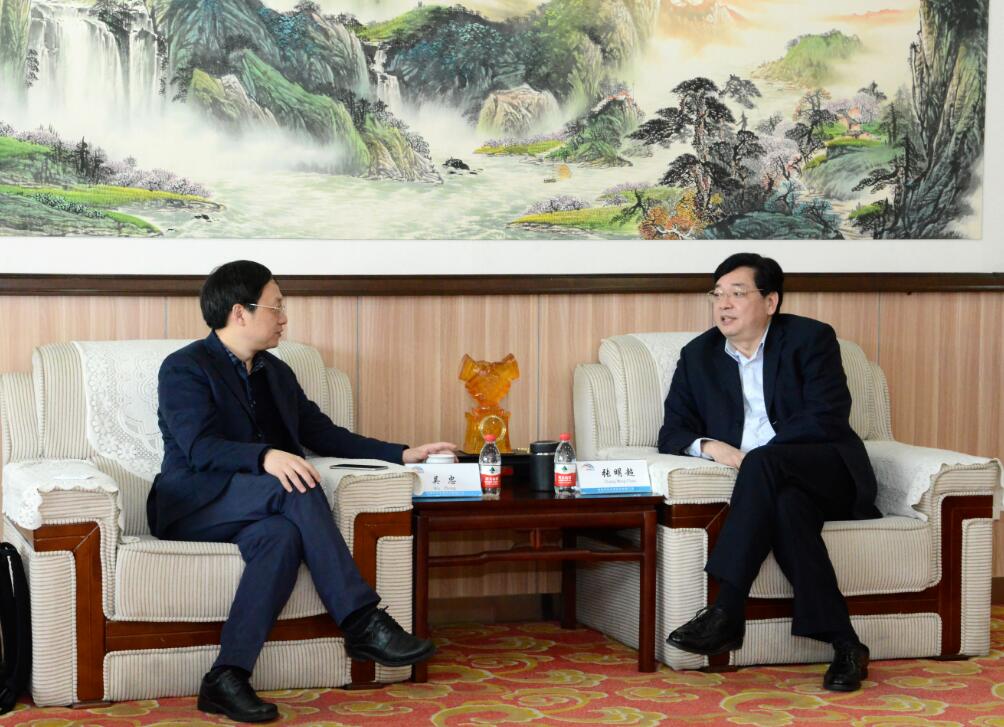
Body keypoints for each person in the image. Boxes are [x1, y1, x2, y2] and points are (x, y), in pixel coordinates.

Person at [147, 260, 458, 723]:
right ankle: (361, 620)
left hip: (254, 510)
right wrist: (266, 457)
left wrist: (402, 453)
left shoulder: (275, 372)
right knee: (296, 484)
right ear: (240, 312)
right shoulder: (184, 368)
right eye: (276, 308)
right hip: (193, 504)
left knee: (282, 538)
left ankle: (226, 677)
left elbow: (322, 433)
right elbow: (199, 447)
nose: (284, 318)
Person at [660, 253, 880, 692]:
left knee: (763, 464)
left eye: (737, 294)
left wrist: (762, 457)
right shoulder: (699, 355)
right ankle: (846, 644)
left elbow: (826, 416)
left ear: (771, 301)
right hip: (772, 487)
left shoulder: (811, 339)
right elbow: (672, 430)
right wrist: (711, 447)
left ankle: (727, 608)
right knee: (786, 510)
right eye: (717, 295)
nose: (724, 304)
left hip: (827, 471)